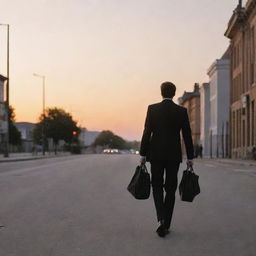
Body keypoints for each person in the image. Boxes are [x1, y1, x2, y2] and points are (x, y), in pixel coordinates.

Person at [140, 81, 194, 238]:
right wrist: (190, 157)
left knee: (156, 186)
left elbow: (146, 133)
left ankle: (161, 219)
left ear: (161, 92)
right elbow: (187, 136)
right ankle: (167, 223)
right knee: (170, 189)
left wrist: (143, 154)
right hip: (173, 156)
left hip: (155, 155)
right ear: (174, 93)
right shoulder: (181, 111)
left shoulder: (152, 109)